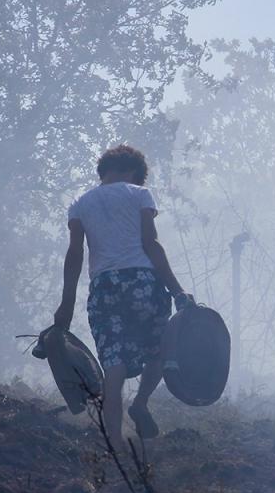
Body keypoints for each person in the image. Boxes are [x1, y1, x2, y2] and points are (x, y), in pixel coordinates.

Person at [54, 145, 193, 443]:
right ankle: (140, 403)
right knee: (158, 349)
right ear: (133, 172)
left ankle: (114, 446)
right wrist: (177, 290)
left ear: (105, 170)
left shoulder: (80, 204)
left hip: (104, 287)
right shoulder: (139, 194)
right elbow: (150, 243)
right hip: (143, 282)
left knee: (113, 366)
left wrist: (66, 303)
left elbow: (75, 253)